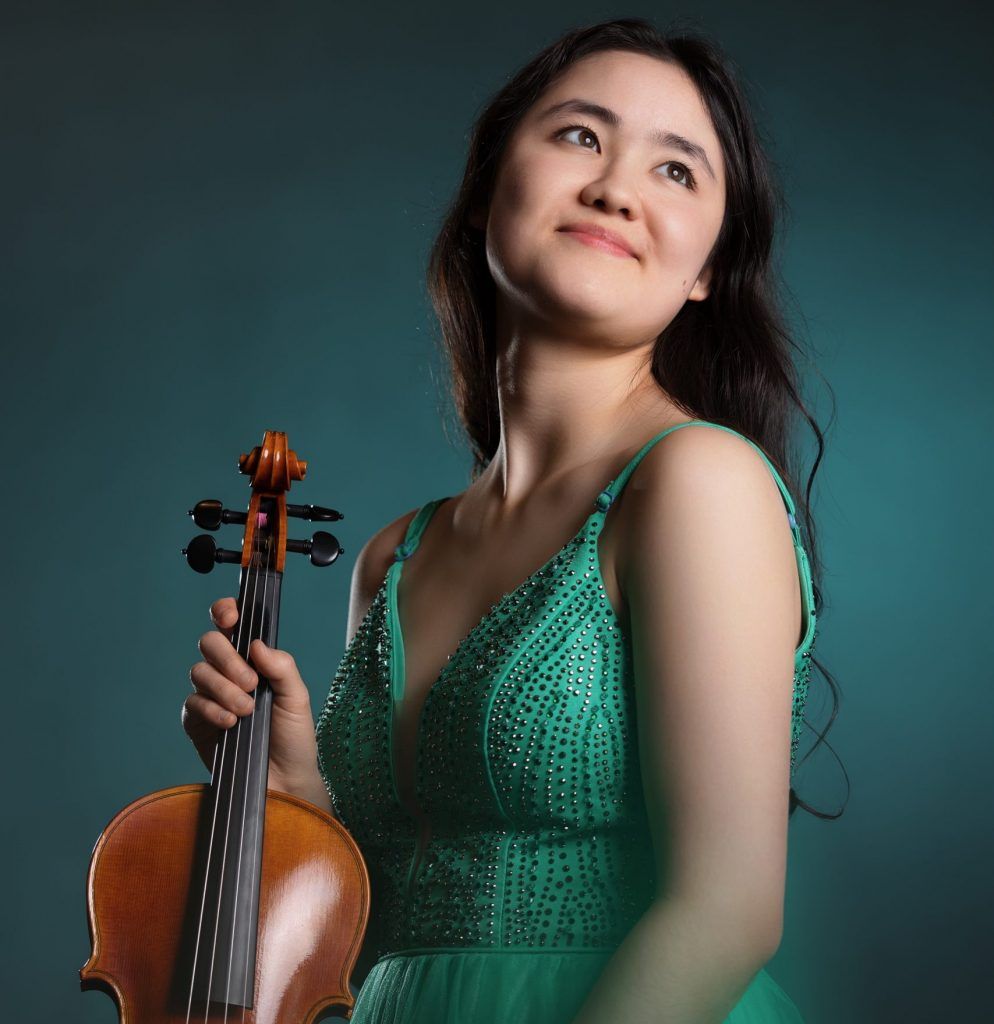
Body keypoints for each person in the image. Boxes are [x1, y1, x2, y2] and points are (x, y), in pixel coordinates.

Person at [183, 16, 836, 1024]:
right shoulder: (394, 557)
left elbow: (724, 913)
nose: (616, 187)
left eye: (676, 170)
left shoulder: (696, 481)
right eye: (580, 135)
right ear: (490, 184)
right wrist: (304, 794)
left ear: (708, 268)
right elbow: (393, 923)